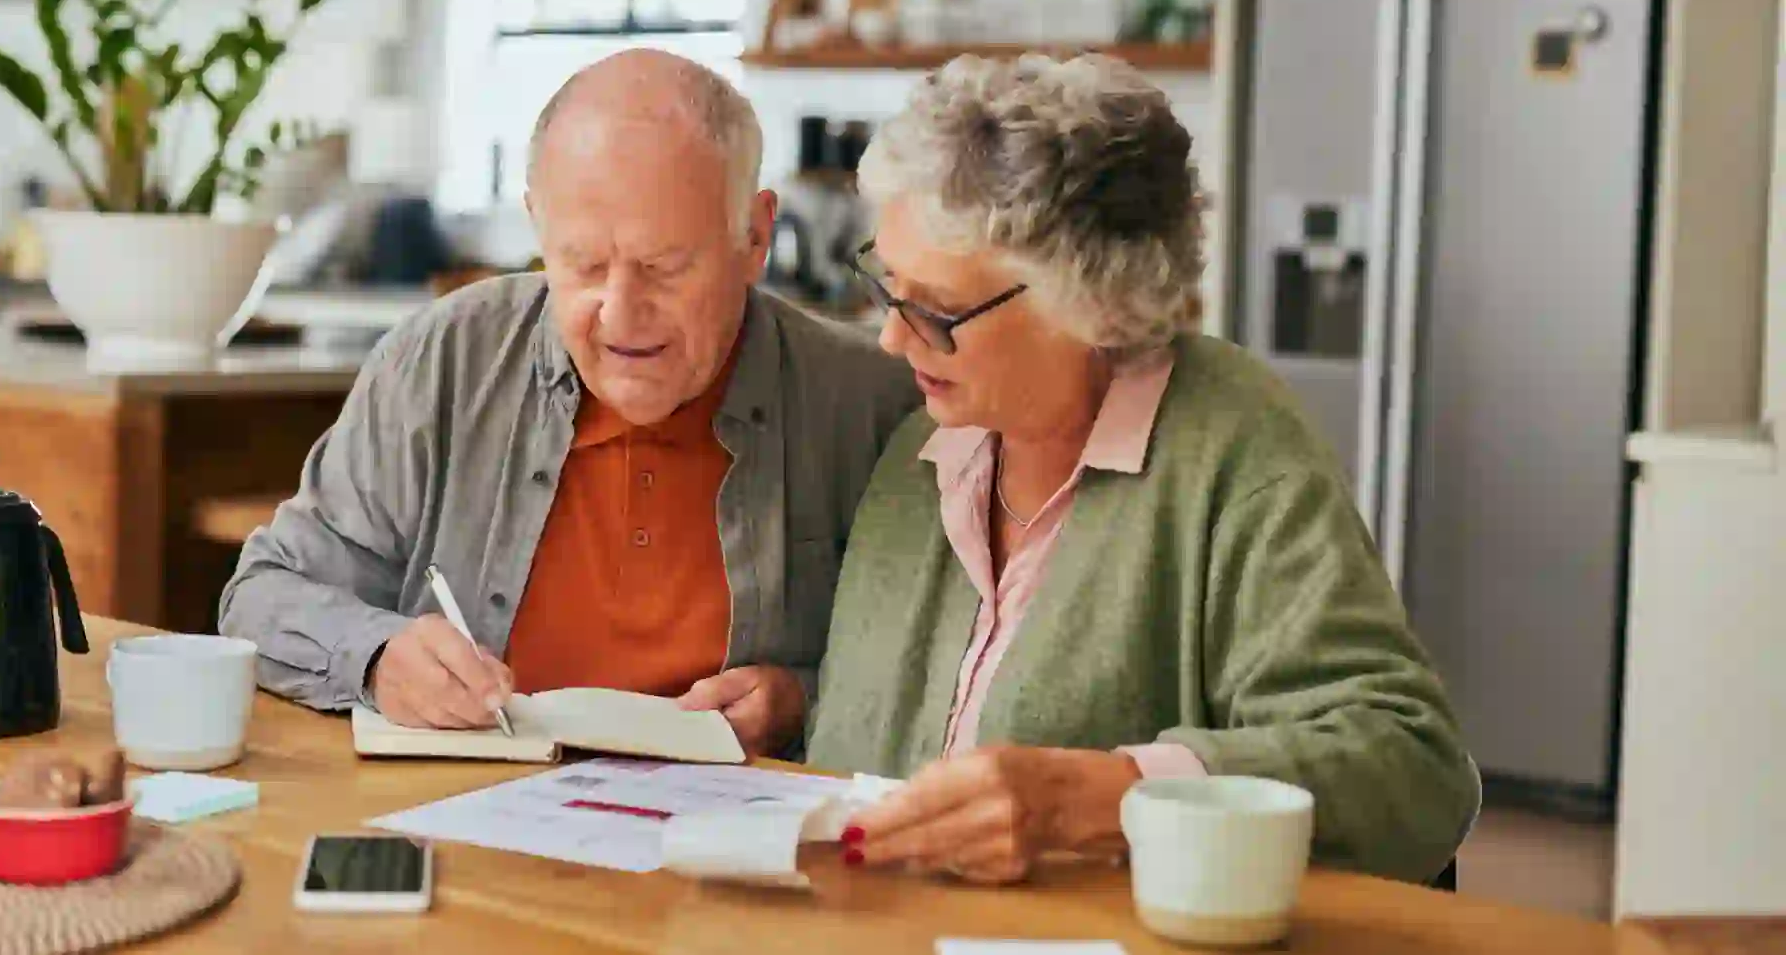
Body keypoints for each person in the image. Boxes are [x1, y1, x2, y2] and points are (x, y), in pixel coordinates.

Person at [807, 54, 1479, 884]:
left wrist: (1107, 797)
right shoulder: (923, 449)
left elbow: (1408, 765)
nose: (893, 338)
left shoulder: (1231, 446)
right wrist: (794, 696)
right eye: (890, 286)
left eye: (939, 312)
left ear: (1091, 301)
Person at [220, 50, 920, 757]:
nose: (621, 315)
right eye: (582, 264)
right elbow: (260, 596)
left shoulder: (872, 401)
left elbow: (946, 687)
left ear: (755, 237)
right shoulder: (444, 358)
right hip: (466, 820)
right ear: (537, 227)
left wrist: (807, 698)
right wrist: (376, 656)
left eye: (666, 267)